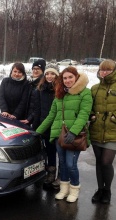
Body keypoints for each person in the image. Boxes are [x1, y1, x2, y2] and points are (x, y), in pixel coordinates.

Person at [36, 66, 92, 202]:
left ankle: (74, 189)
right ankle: (64, 189)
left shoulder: (85, 93)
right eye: (65, 78)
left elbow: (84, 115)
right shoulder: (59, 94)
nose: (67, 80)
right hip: (59, 135)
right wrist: (37, 132)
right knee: (63, 163)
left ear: (76, 77)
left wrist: (73, 132)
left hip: (75, 136)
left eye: (70, 77)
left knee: (71, 164)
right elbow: (51, 116)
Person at [89, 59, 116, 204]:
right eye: (102, 70)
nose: (104, 72)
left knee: (106, 162)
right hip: (97, 130)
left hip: (113, 132)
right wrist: (91, 115)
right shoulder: (94, 88)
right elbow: (88, 107)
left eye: (108, 70)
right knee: (99, 162)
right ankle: (100, 189)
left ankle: (108, 190)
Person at [32, 64, 60, 189]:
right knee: (49, 151)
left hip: (58, 125)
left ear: (57, 75)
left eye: (52, 73)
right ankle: (51, 173)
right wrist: (36, 127)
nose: (49, 76)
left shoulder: (60, 90)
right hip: (45, 125)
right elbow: (37, 110)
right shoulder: (40, 89)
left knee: (61, 152)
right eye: (47, 73)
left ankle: (62, 176)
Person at [20, 59, 46, 126]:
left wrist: (30, 118)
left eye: (38, 69)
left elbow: (39, 106)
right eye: (34, 68)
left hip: (35, 120)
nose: (35, 71)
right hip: (27, 118)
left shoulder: (43, 84)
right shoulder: (30, 83)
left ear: (42, 71)